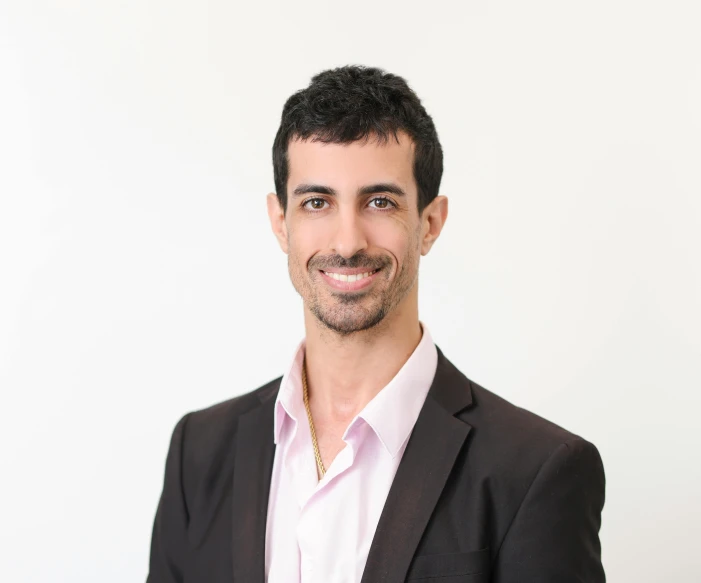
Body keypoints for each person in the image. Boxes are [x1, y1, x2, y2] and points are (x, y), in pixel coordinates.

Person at [146, 65, 606, 583]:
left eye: (380, 201)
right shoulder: (199, 452)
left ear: (429, 223)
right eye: (317, 202)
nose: (347, 242)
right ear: (282, 223)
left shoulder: (533, 471)